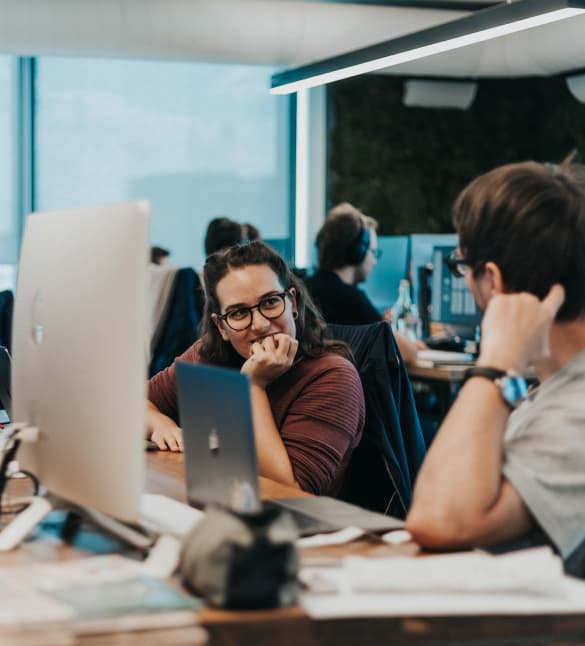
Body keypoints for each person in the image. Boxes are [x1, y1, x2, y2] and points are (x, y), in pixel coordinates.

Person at [406, 159, 585, 575]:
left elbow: (437, 518)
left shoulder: (576, 411)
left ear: (493, 279)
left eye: (461, 265)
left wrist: (495, 362)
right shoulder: (553, 391)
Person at [147, 241, 365, 496]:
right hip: (218, 509)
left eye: (271, 301)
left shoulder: (333, 377)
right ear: (221, 327)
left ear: (293, 303)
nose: (260, 324)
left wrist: (252, 387)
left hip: (294, 527)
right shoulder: (208, 355)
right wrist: (160, 424)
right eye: (239, 313)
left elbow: (287, 492)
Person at [305, 203, 420, 363]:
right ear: (357, 252)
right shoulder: (350, 300)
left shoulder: (304, 288)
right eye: (373, 252)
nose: (374, 261)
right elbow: (409, 354)